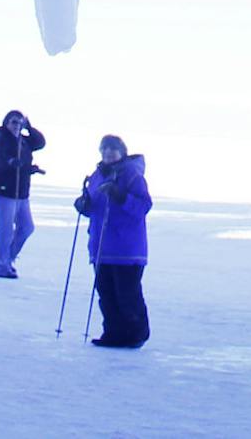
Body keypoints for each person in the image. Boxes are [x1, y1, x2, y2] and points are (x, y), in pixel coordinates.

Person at [74, 134, 152, 348]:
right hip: (101, 246)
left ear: (122, 152)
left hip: (126, 247)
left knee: (127, 294)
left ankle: (136, 334)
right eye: (105, 149)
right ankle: (113, 332)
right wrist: (84, 205)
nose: (108, 153)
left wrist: (120, 196)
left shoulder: (132, 175)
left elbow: (143, 206)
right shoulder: (97, 175)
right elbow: (95, 207)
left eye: (113, 149)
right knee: (106, 293)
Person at [0, 109, 46, 277]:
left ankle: (8, 258)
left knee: (27, 227)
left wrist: (30, 127)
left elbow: (40, 142)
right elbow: (0, 162)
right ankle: (0, 264)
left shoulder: (24, 142)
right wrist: (13, 163)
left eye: (20, 123)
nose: (16, 126)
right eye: (14, 122)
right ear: (6, 123)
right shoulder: (0, 141)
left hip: (21, 193)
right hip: (4, 191)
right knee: (6, 230)